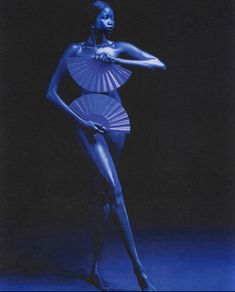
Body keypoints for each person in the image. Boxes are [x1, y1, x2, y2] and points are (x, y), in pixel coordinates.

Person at [46, 1, 166, 291]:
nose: (110, 21)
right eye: (105, 16)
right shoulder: (75, 51)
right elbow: (51, 93)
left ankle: (94, 269)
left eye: (113, 17)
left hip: (116, 124)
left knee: (103, 198)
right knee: (115, 192)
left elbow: (159, 64)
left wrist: (121, 62)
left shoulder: (118, 48)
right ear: (92, 19)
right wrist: (80, 120)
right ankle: (141, 273)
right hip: (88, 125)